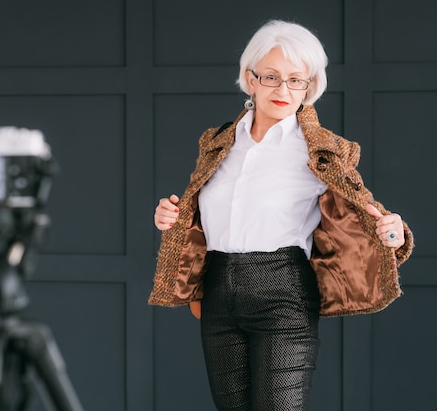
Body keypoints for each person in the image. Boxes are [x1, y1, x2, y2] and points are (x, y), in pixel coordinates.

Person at [148, 20, 413, 411]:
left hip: (283, 293)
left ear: (310, 85)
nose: (284, 90)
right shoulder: (216, 143)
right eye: (271, 77)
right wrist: (170, 217)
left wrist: (394, 233)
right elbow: (201, 215)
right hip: (218, 295)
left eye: (296, 79)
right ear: (249, 78)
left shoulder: (322, 151)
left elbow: (371, 214)